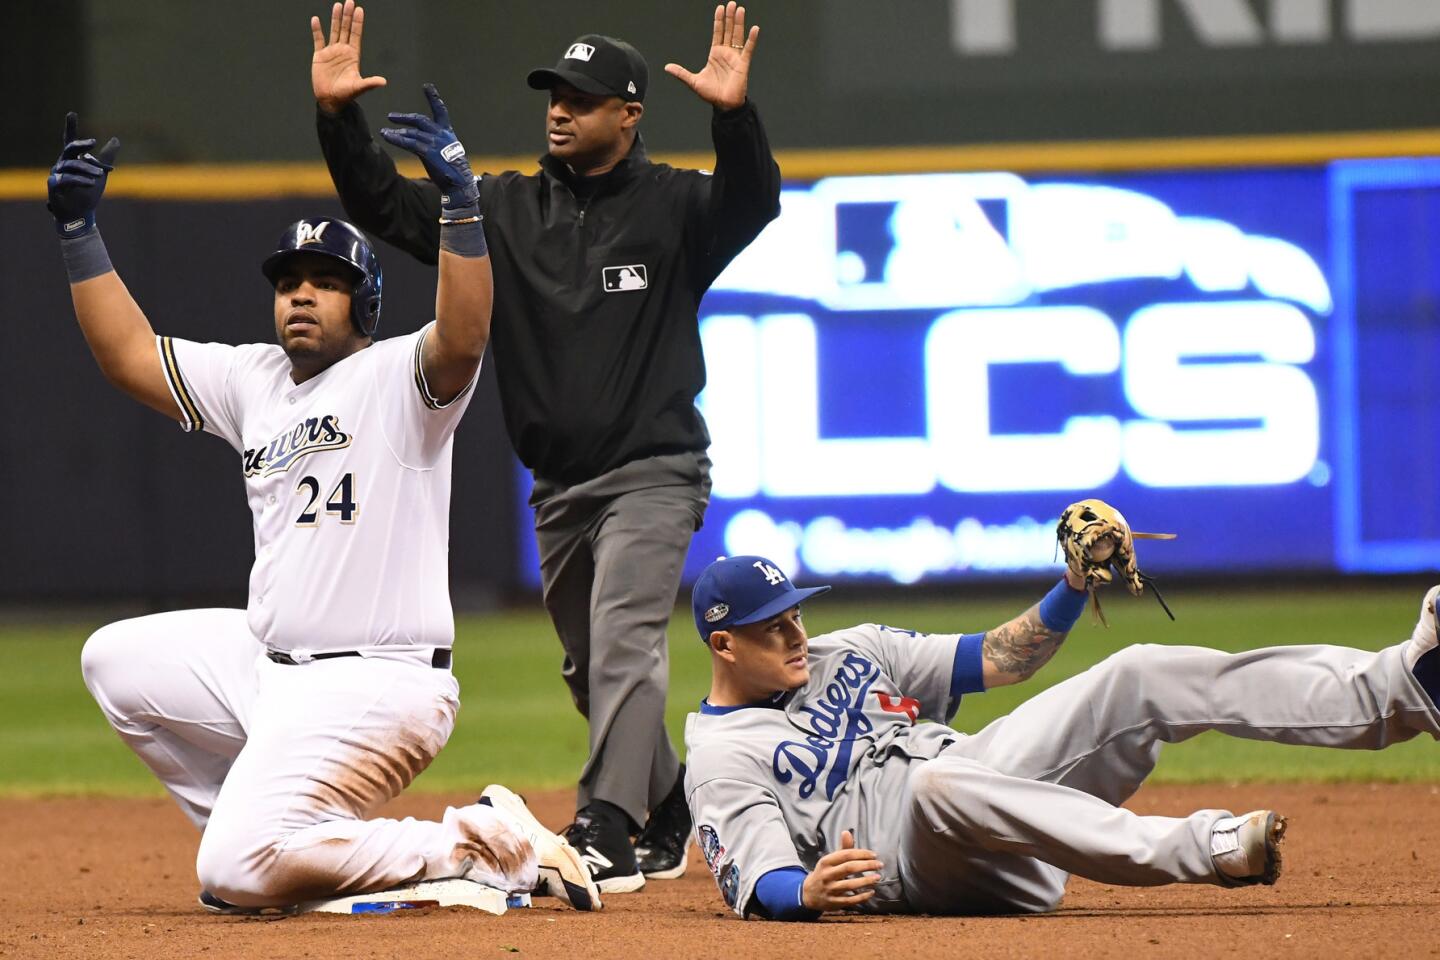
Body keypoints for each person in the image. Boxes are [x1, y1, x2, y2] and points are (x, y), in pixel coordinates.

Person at [49, 96, 600, 913]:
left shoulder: (398, 378)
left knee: (230, 871)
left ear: (366, 307)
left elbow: (466, 335)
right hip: (270, 670)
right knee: (114, 661)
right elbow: (128, 356)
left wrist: (460, 209)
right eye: (290, 282)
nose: (301, 295)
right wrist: (76, 233)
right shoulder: (253, 381)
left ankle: (484, 841)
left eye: (327, 283)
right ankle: (292, 852)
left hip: (378, 681)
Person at [309, 0, 782, 892]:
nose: (559, 109)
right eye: (555, 94)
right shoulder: (502, 209)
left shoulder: (676, 205)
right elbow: (382, 202)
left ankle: (602, 824)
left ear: (629, 115)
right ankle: (674, 810)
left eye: (583, 97)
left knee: (623, 643)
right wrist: (339, 117)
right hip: (560, 485)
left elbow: (755, 199)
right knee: (588, 669)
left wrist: (733, 115)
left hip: (656, 468)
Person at [682, 517, 1440, 920]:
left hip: (985, 785)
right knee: (941, 784)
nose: (796, 634)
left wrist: (1074, 584)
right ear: (724, 643)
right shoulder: (721, 755)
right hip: (926, 863)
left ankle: (1400, 688)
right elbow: (760, 878)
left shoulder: (849, 649)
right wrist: (808, 894)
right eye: (772, 627)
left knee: (1139, 669)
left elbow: (1001, 659)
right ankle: (1203, 847)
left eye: (794, 615)